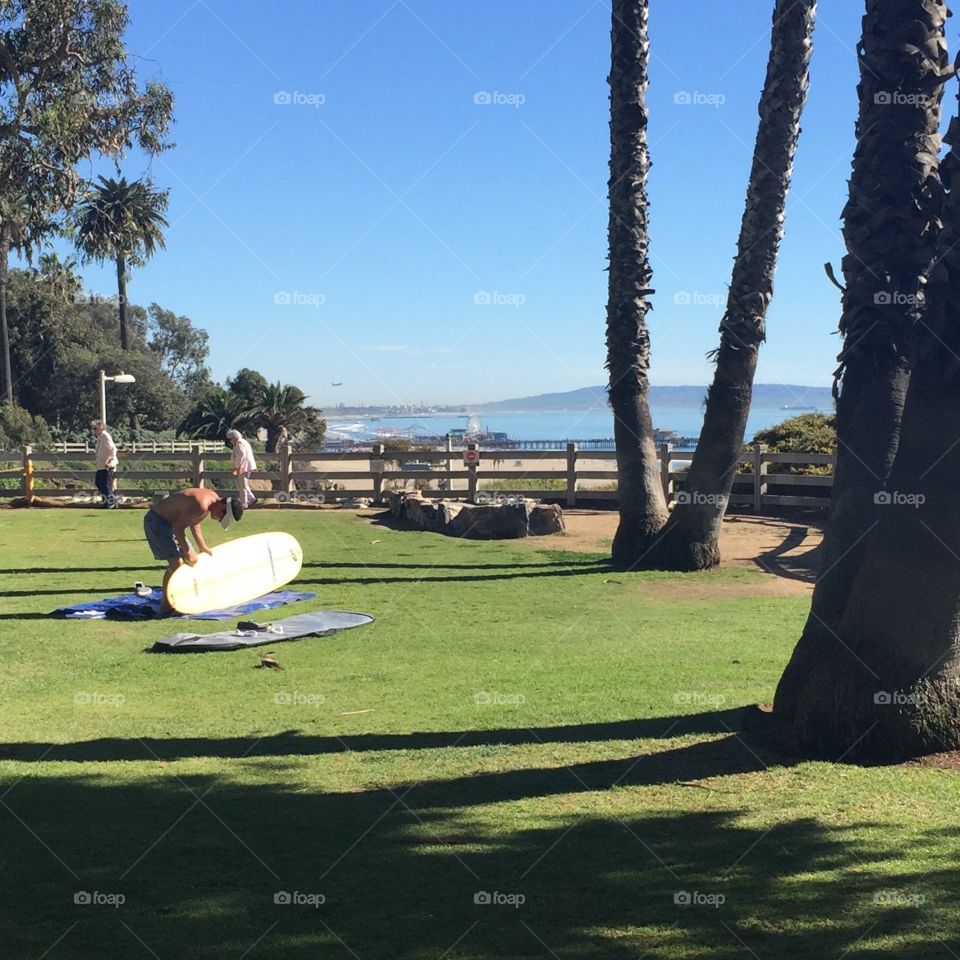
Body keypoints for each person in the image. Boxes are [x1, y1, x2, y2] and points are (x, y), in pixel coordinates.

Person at [143, 488, 243, 614]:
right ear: (222, 506)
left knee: (192, 562)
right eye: (222, 517)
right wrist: (188, 551)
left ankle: (179, 598)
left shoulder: (211, 500)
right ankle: (166, 605)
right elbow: (178, 528)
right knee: (177, 564)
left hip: (171, 524)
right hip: (157, 521)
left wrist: (202, 547)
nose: (218, 520)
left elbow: (195, 523)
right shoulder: (202, 504)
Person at [226, 428, 257, 508]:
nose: (230, 441)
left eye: (231, 439)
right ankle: (252, 499)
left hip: (244, 467)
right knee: (243, 485)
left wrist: (239, 468)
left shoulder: (240, 443)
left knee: (242, 486)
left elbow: (241, 456)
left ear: (234, 437)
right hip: (246, 466)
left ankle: (244, 504)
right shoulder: (243, 442)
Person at [91, 420, 118, 508]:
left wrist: (109, 460)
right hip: (101, 465)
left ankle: (111, 502)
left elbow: (113, 449)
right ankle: (106, 501)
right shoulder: (100, 437)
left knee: (106, 485)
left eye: (95, 428)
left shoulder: (105, 436)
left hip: (107, 465)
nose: (94, 430)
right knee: (99, 483)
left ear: (100, 428)